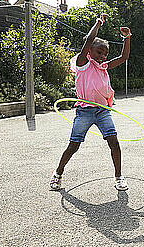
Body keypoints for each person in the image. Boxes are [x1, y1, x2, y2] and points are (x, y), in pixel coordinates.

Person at [50, 13, 132, 191]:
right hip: (84, 111)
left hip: (102, 111)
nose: (103, 56)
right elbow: (88, 39)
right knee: (74, 145)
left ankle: (119, 177)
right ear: (89, 52)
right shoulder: (82, 63)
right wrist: (99, 23)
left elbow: (123, 58)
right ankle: (57, 174)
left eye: (105, 54)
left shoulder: (103, 66)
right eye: (99, 52)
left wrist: (127, 38)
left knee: (114, 142)